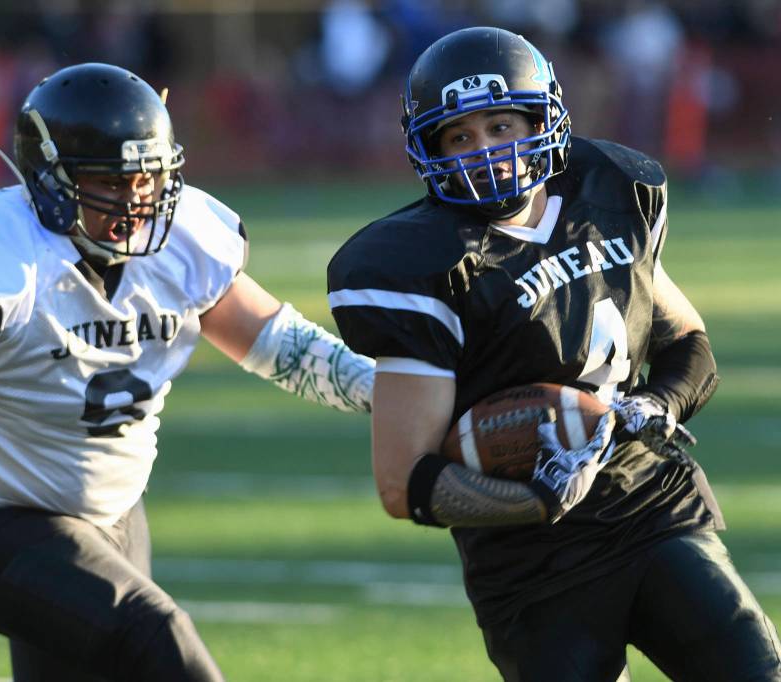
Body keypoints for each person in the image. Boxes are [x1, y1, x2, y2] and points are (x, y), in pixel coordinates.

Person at [0, 63, 375, 682]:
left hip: (116, 520)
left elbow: (277, 342)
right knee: (157, 636)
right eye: (112, 181)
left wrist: (384, 389)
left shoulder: (184, 239)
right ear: (52, 178)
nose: (137, 201)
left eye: (148, 178)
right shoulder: (2, 259)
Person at [327, 27, 781, 682]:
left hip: (645, 503)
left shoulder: (609, 189)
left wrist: (657, 403)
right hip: (530, 567)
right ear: (430, 149)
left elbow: (687, 342)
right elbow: (405, 482)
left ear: (543, 118)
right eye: (460, 136)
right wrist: (533, 498)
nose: (484, 151)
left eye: (501, 125)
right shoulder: (422, 267)